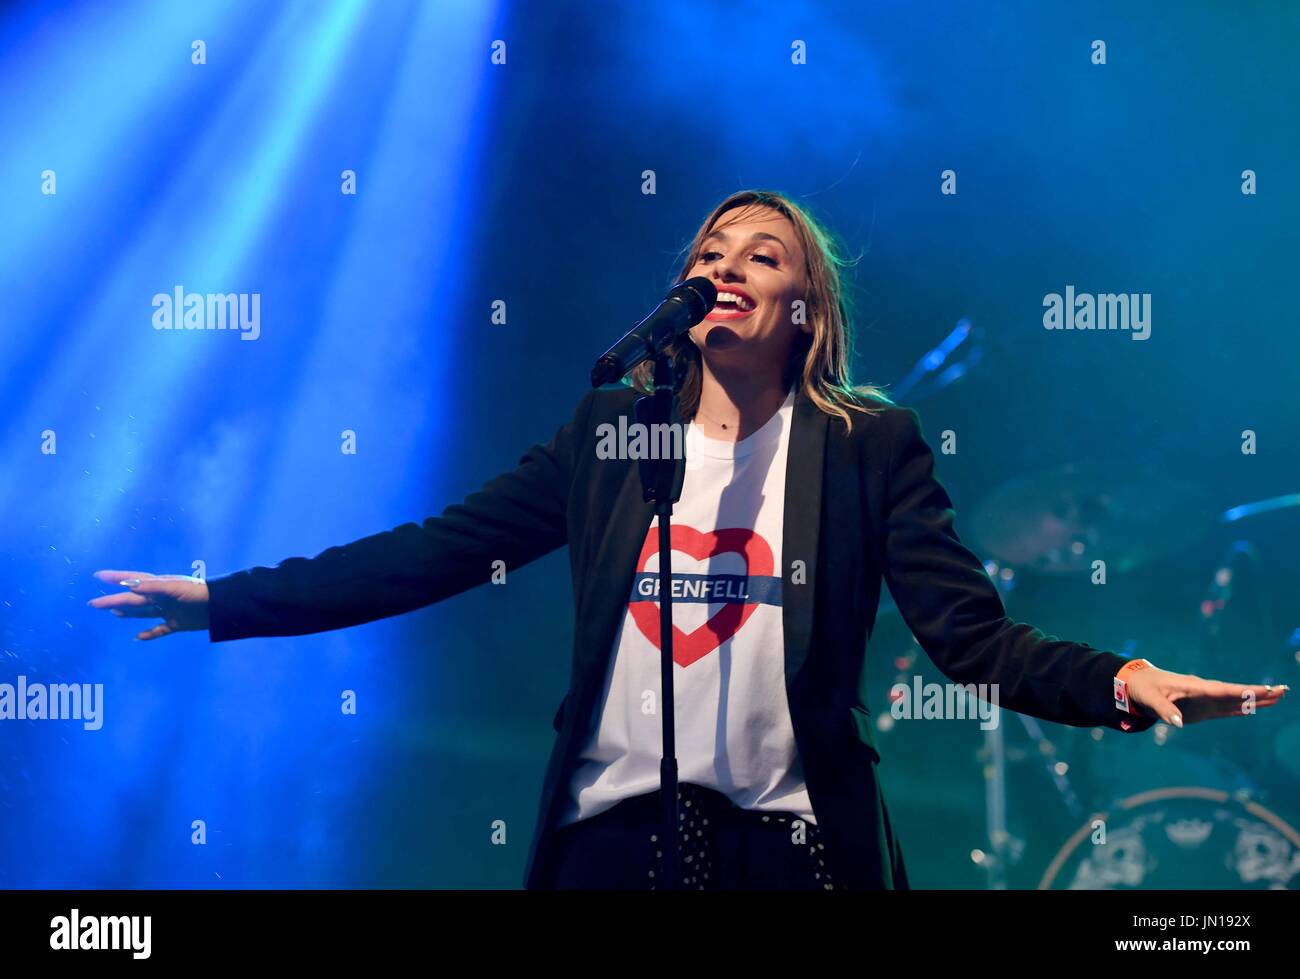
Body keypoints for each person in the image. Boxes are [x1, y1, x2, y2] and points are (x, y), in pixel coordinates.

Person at [90, 189, 1287, 890]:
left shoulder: (866, 446)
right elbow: (436, 549)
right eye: (705, 258)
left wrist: (1120, 679)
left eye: (756, 257)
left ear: (802, 307)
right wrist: (228, 599)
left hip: (790, 844)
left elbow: (973, 640)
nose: (722, 269)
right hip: (609, 842)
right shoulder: (615, 431)